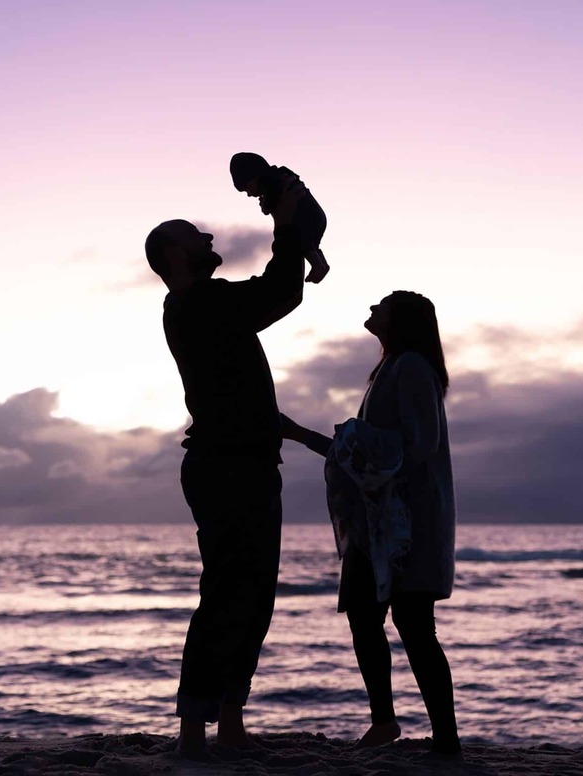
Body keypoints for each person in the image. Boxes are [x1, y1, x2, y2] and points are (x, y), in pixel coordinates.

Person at [144, 175, 306, 760]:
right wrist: (285, 226)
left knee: (248, 595)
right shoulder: (202, 303)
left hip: (240, 462)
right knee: (230, 595)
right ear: (172, 254)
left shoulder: (193, 308)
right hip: (230, 468)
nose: (208, 235)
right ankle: (196, 729)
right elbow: (280, 291)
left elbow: (243, 400)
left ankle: (227, 722)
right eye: (194, 235)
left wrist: (311, 438)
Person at [281, 291, 461, 756]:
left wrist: (323, 437)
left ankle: (446, 739)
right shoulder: (389, 368)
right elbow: (365, 452)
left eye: (379, 307)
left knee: (415, 623)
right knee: (364, 616)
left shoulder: (412, 367)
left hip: (406, 523)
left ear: (400, 320)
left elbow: (415, 445)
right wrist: (305, 435)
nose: (370, 312)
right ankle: (385, 722)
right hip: (374, 523)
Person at [230, 152, 329, 283]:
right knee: (309, 244)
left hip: (305, 220)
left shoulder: (274, 182)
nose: (249, 194)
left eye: (247, 188)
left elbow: (269, 206)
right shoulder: (281, 175)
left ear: (254, 177)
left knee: (302, 241)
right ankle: (321, 262)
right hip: (317, 216)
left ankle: (318, 265)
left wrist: (265, 206)